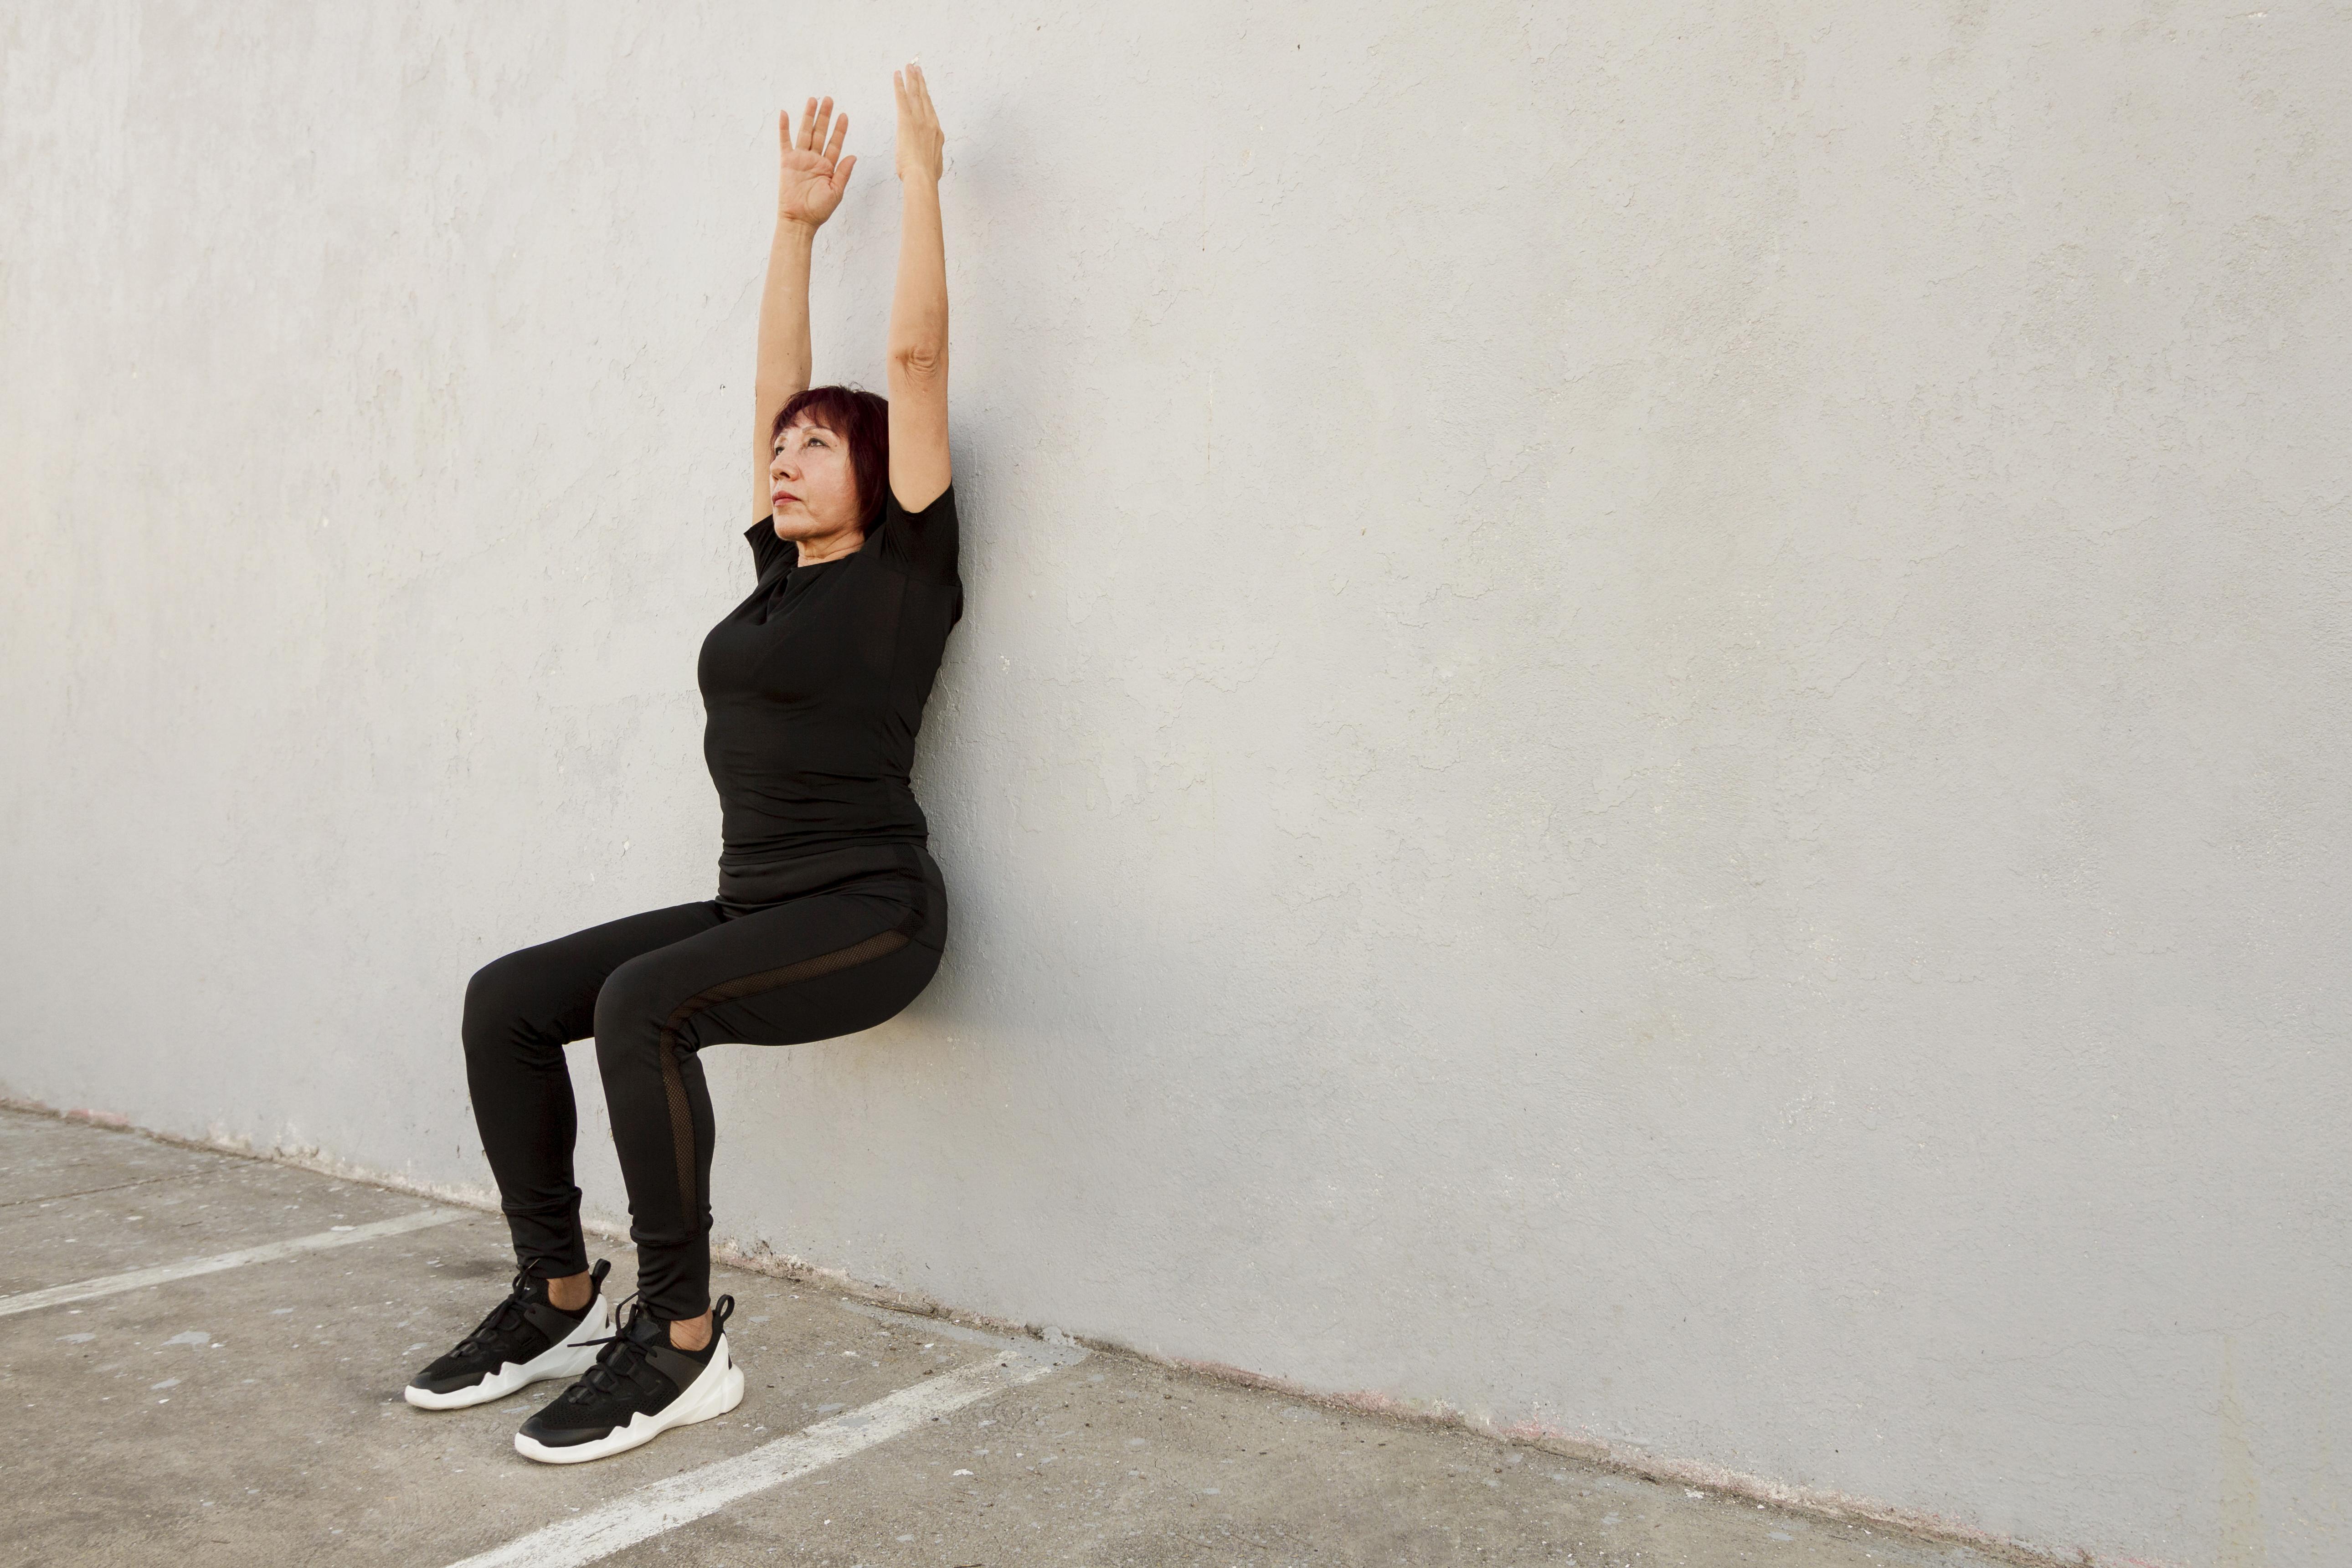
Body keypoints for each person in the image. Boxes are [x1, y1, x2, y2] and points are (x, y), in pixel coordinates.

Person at [403, 66, 960, 1465]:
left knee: (643, 1003)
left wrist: (923, 190)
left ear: (876, 473)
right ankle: (557, 1285)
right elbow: (769, 379)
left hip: (870, 910)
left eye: (816, 447)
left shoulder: (904, 567)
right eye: (778, 447)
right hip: (752, 904)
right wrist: (793, 229)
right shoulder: (777, 575)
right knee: (510, 1002)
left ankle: (682, 1336)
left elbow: (910, 369)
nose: (785, 454)